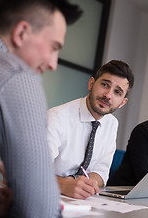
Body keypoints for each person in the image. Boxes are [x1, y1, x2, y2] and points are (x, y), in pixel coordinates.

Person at [0, 0, 82, 217]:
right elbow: (40, 210)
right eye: (54, 47)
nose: (53, 64)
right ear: (21, 33)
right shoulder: (16, 75)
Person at [47, 60, 134, 199]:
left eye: (117, 92)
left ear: (122, 103)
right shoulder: (57, 117)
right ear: (91, 84)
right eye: (105, 85)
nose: (108, 95)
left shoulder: (111, 123)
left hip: (81, 202)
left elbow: (102, 171)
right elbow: (32, 169)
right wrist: (63, 184)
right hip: (47, 194)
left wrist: (81, 184)